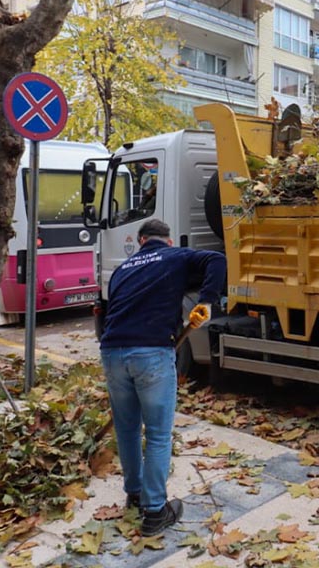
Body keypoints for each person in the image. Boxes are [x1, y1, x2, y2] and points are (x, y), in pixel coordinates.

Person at [99, 218, 225, 536]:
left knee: (127, 431)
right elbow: (217, 260)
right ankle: (155, 512)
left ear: (140, 241)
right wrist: (207, 301)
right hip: (151, 353)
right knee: (157, 434)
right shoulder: (175, 256)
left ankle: (135, 494)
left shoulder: (123, 269)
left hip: (112, 352)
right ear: (167, 242)